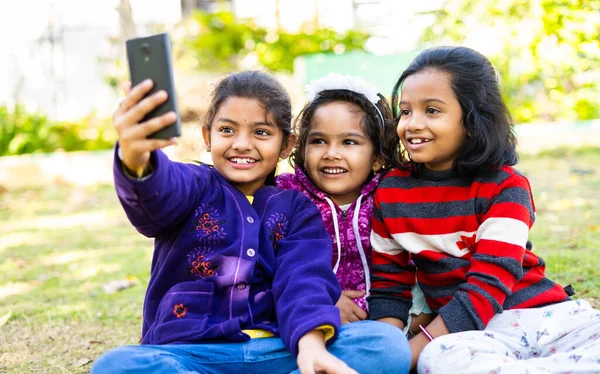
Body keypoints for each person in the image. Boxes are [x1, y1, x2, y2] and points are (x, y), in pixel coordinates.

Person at [91, 70, 410, 374]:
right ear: (207, 135)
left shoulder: (296, 208)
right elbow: (159, 189)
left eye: (261, 132)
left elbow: (303, 282)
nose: (242, 144)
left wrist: (312, 346)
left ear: (286, 144)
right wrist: (136, 155)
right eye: (227, 130)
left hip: (280, 351)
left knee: (385, 345)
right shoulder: (195, 186)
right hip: (192, 352)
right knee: (116, 365)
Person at [368, 46, 600, 373]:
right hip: (467, 335)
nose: (413, 124)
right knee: (441, 361)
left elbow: (489, 283)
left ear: (473, 118)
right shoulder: (391, 192)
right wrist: (388, 350)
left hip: (544, 317)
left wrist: (411, 352)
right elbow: (389, 281)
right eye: (405, 111)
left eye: (432, 110)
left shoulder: (505, 186)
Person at [276, 73, 433, 332]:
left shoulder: (395, 196)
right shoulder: (287, 196)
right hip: (312, 312)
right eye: (318, 141)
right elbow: (275, 263)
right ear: (302, 148)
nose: (331, 154)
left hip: (391, 313)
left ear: (378, 157)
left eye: (349, 142)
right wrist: (323, 298)